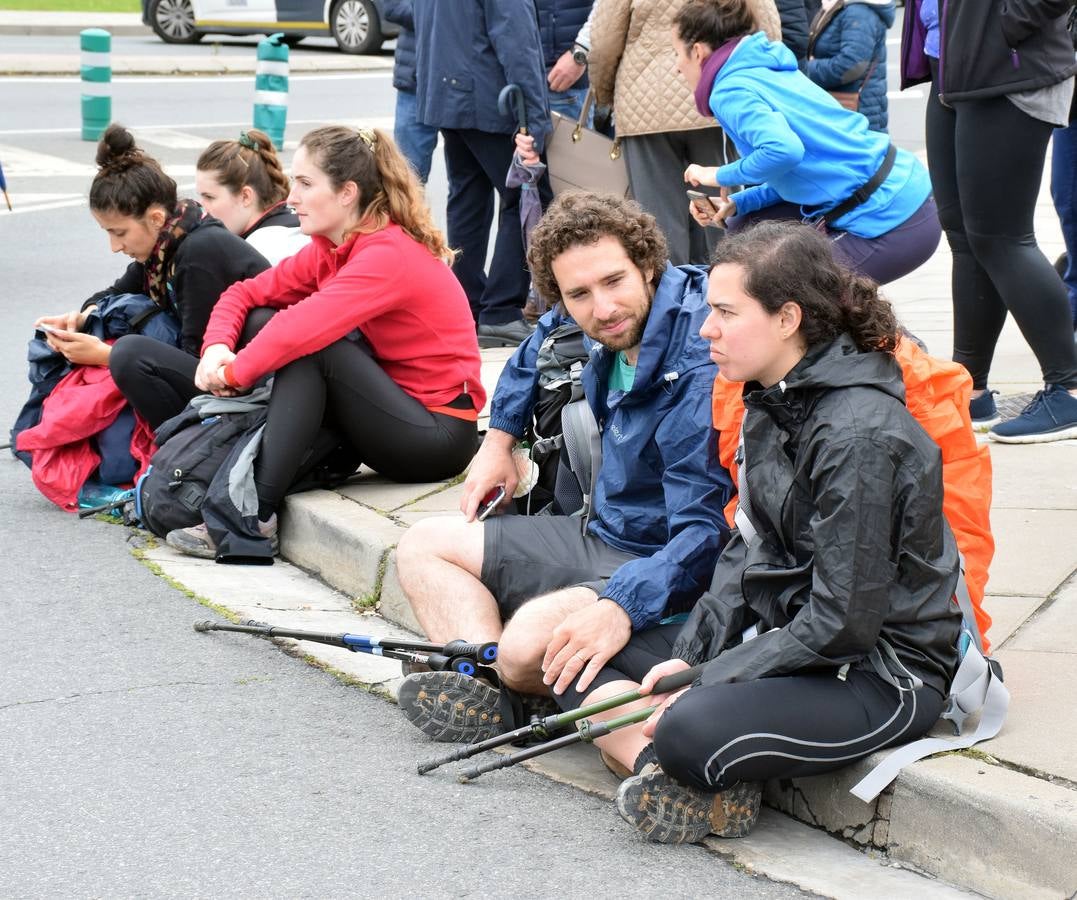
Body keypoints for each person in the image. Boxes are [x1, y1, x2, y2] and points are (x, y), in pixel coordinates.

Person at [571, 221, 962, 844]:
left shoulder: (857, 435)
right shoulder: (768, 398)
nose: (706, 329)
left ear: (787, 319)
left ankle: (677, 768)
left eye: (726, 312)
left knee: (686, 726)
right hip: (793, 640)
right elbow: (746, 550)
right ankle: (677, 782)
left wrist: (710, 678)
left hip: (881, 673)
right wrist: (693, 655)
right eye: (709, 310)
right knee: (583, 658)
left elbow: (845, 621)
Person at [392, 191, 734, 741]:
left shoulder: (696, 357)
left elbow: (704, 533)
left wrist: (622, 604)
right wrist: (497, 443)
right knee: (422, 545)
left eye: (614, 282)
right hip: (600, 531)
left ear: (647, 265)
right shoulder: (591, 318)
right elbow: (535, 349)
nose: (602, 308)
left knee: (526, 645)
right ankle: (486, 690)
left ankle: (509, 683)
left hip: (663, 560)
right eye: (579, 294)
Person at [164, 126, 486, 559]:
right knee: (263, 319)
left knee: (315, 349)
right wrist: (216, 348)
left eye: (305, 183)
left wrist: (234, 374)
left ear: (347, 192)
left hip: (437, 437)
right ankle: (229, 477)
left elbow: (299, 330)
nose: (291, 197)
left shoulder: (386, 254)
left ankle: (253, 517)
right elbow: (244, 294)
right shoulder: (331, 247)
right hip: (389, 412)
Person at [902, 0, 1077, 441]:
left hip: (1008, 66)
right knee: (966, 239)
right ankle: (971, 389)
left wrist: (1007, 26)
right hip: (954, 67)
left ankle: (1069, 389)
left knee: (1002, 237)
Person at [675, 0, 940, 286]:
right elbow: (797, 171)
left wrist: (716, 174)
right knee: (744, 230)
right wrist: (739, 203)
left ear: (698, 52)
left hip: (892, 218)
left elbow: (783, 151)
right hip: (907, 195)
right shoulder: (762, 67)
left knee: (788, 293)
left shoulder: (729, 90)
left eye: (676, 54)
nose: (677, 67)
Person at [34, 124, 269, 428]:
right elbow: (111, 295)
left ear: (156, 218)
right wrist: (79, 319)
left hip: (257, 386)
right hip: (226, 375)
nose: (115, 247)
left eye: (119, 233)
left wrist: (104, 354)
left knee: (129, 356)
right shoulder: (165, 245)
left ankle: (178, 449)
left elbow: (198, 360)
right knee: (123, 347)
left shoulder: (198, 252)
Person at [412, 0, 552, 348]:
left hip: (446, 90)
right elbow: (516, 40)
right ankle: (500, 310)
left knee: (467, 199)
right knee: (524, 194)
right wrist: (535, 121)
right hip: (487, 94)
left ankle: (468, 304)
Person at [587, 0, 735, 267]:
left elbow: (604, 41)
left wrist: (606, 94)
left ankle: (673, 302)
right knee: (722, 217)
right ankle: (733, 298)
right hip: (716, 93)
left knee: (659, 225)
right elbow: (763, 23)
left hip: (644, 101)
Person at [195, 129, 309, 265]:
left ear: (245, 196)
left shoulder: (263, 247)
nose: (202, 208)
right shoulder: (293, 223)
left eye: (210, 197)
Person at [807, 0, 895, 133]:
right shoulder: (844, 6)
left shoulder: (859, 12)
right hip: (849, 110)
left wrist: (807, 68)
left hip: (856, 111)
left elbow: (851, 66)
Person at [382, 0, 439, 183]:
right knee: (408, 176)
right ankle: (409, 213)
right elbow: (394, 7)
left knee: (466, 179)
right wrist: (444, 15)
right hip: (416, 80)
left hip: (463, 79)